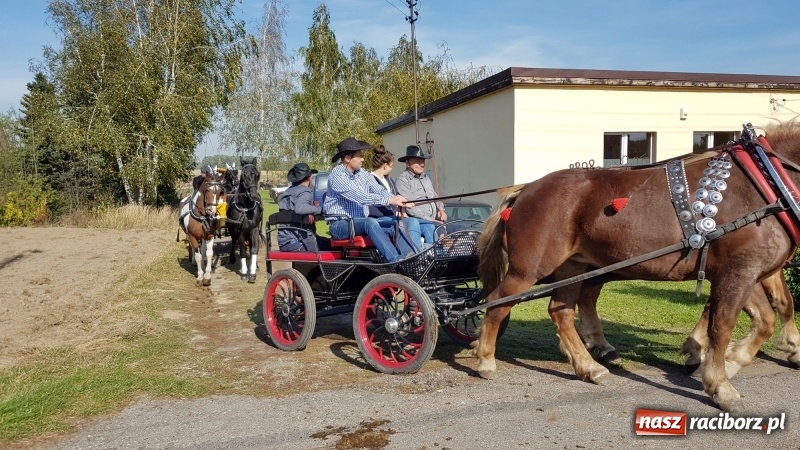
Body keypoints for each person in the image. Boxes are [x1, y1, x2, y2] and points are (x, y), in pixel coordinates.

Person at [324, 137, 415, 263]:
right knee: (370, 222)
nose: (363, 159)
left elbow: (379, 190)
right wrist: (390, 201)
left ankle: (409, 259)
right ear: (347, 158)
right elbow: (361, 197)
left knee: (395, 225)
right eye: (360, 156)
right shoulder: (337, 176)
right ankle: (396, 261)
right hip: (340, 225)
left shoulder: (362, 173)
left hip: (358, 223)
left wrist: (399, 199)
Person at [368, 145, 423, 251]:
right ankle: (414, 255)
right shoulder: (369, 180)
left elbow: (396, 197)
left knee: (428, 225)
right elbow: (369, 204)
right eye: (391, 166)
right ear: (385, 166)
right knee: (412, 222)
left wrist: (404, 206)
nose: (392, 169)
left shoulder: (390, 181)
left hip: (393, 217)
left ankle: (429, 253)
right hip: (378, 219)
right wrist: (394, 211)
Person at [395, 145, 447, 245]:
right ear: (408, 163)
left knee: (460, 228)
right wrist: (431, 220)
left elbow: (435, 197)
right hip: (420, 222)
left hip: (435, 220)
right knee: (435, 228)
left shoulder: (426, 178)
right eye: (417, 161)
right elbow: (409, 207)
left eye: (422, 161)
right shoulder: (403, 180)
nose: (422, 164)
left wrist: (441, 210)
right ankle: (440, 249)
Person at [277, 163, 331, 252]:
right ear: (310, 178)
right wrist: (320, 210)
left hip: (284, 242)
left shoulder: (287, 192)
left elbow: (292, 213)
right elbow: (300, 208)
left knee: (326, 242)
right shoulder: (305, 192)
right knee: (335, 247)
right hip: (297, 241)